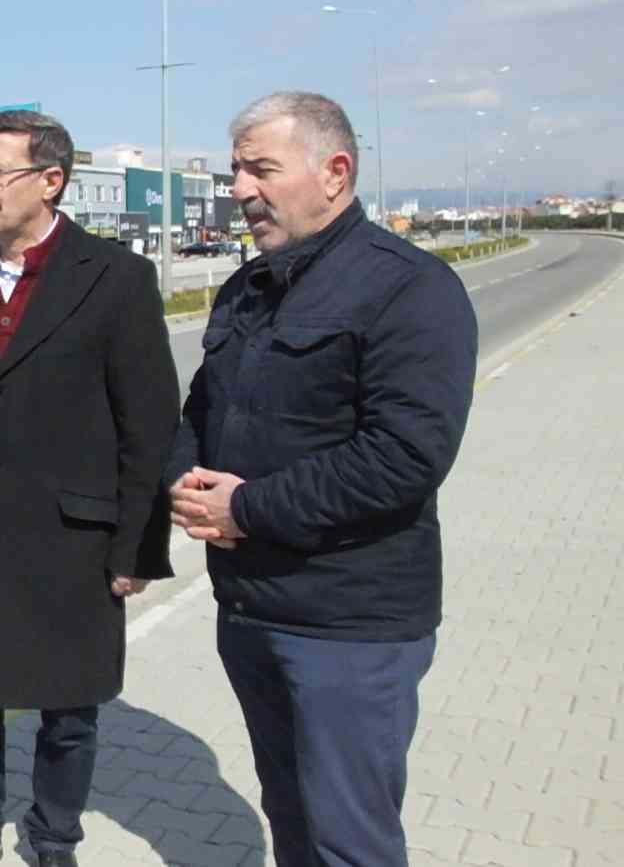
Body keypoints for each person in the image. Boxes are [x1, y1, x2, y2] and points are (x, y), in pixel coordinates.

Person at [167, 91, 477, 866]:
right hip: (250, 611)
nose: (239, 189)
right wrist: (181, 481)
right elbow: (202, 410)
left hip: (349, 627)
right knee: (294, 822)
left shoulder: (410, 289)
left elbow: (404, 456)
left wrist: (249, 509)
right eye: (236, 169)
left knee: (351, 842)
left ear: (335, 172)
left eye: (261, 168)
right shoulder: (248, 287)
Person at [0, 109, 179, 867]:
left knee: (69, 708)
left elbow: (149, 425)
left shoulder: (116, 278)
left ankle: (55, 837)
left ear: (51, 180)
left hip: (74, 538)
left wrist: (139, 547)